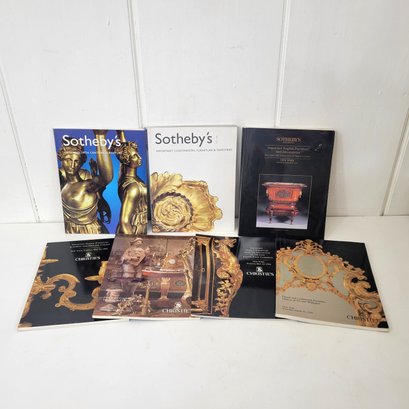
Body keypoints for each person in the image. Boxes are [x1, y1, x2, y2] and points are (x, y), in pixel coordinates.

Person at [57, 130, 113, 234]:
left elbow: (106, 178)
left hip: (87, 231)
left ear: (81, 162)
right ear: (61, 159)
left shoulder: (85, 184)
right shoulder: (60, 180)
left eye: (76, 161)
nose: (72, 165)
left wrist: (100, 137)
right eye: (68, 160)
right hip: (69, 229)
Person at [114, 130, 148, 234]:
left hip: (140, 224)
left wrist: (120, 133)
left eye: (138, 154)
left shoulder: (124, 177)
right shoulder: (133, 187)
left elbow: (123, 151)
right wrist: (132, 241)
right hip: (134, 229)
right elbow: (124, 222)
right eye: (134, 156)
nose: (139, 157)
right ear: (126, 160)